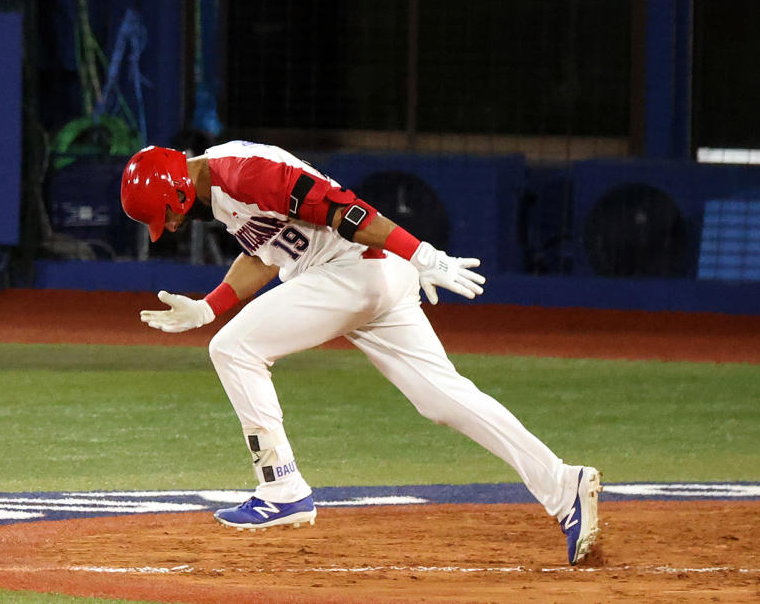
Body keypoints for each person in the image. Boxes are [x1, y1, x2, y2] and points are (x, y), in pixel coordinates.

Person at [119, 140, 603, 565]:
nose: (175, 226)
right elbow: (269, 251)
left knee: (233, 349)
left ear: (181, 192)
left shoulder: (246, 173)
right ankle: (563, 485)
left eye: (170, 215)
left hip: (355, 273)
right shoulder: (219, 188)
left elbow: (347, 212)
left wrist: (420, 252)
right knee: (442, 398)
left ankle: (281, 487)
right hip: (368, 276)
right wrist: (209, 307)